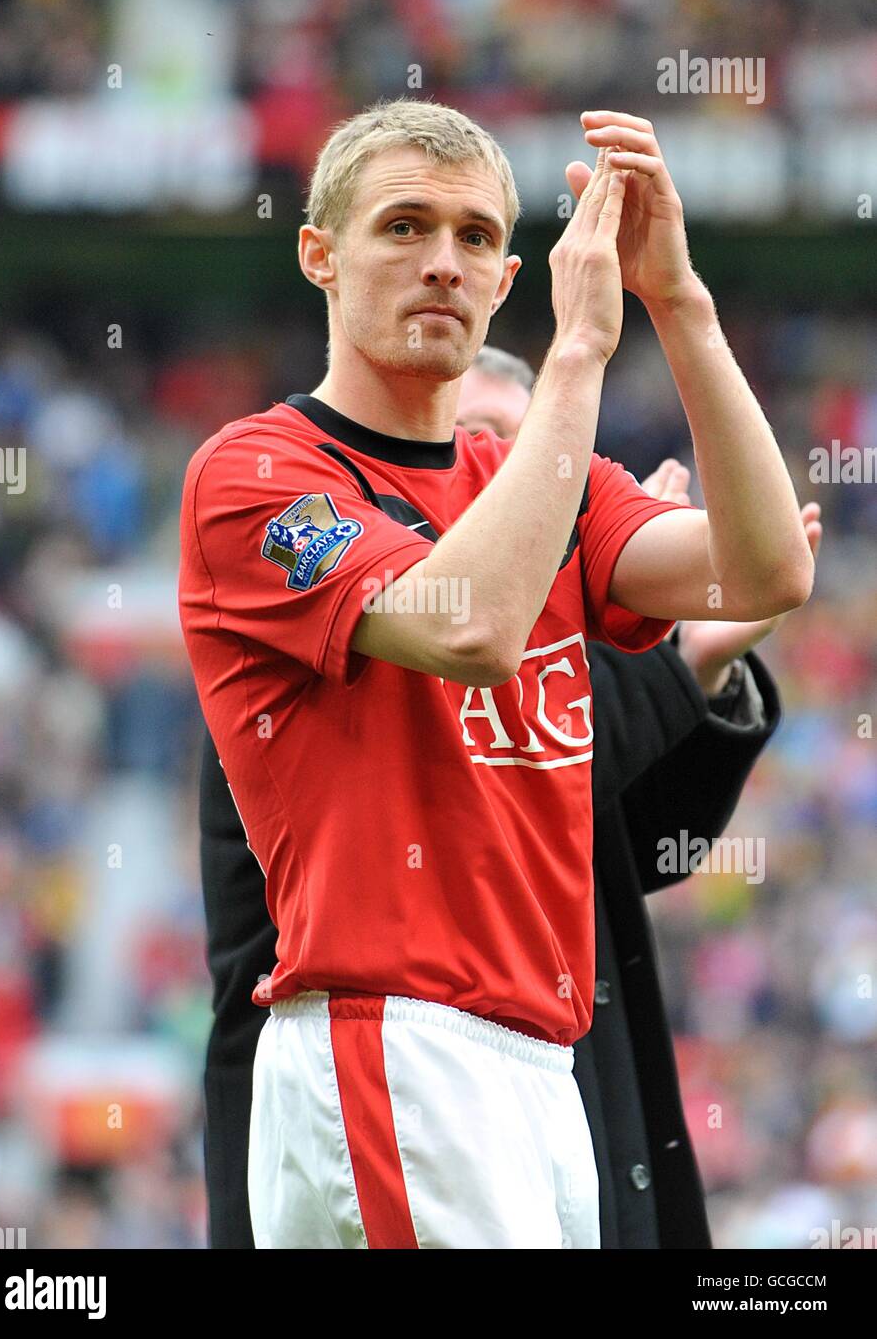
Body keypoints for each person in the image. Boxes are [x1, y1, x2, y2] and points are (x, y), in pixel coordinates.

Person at [178, 97, 815, 1248]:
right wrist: (577, 350)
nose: (442, 263)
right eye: (403, 227)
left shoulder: (521, 472)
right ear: (319, 255)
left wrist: (680, 305)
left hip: (537, 1058)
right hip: (393, 1038)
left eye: (475, 237)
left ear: (508, 271)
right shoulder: (255, 473)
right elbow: (467, 626)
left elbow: (763, 570)